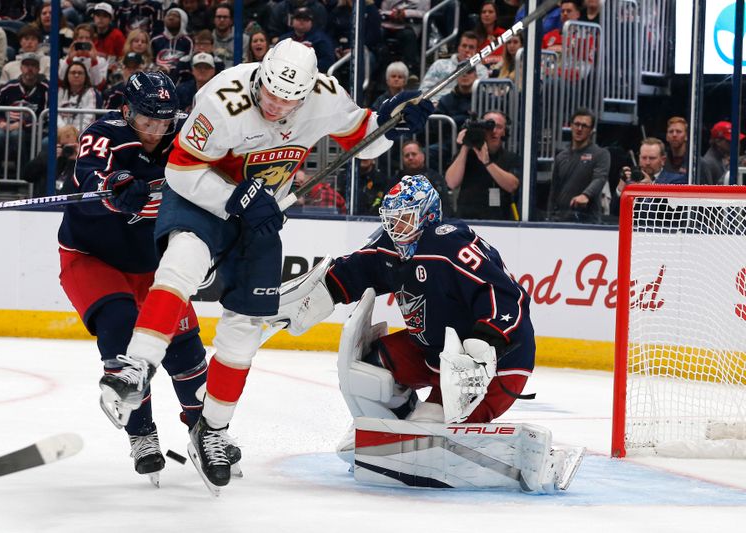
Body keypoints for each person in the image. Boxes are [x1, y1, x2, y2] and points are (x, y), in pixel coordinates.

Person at [103, 38, 433, 493]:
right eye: (269, 93)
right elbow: (181, 169)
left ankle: (212, 430)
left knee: (244, 332)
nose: (276, 105)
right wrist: (235, 196)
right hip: (205, 197)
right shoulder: (224, 98)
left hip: (258, 218)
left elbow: (364, 139)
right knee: (181, 264)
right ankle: (136, 367)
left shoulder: (325, 95)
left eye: (287, 99)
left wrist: (392, 121)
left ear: (307, 91)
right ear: (259, 76)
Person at [266, 175, 559, 488]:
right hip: (433, 354)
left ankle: (426, 430)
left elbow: (507, 296)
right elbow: (355, 270)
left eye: (403, 221)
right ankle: (390, 429)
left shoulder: (449, 243)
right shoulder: (392, 247)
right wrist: (315, 295)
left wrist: (483, 345)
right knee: (366, 368)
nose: (396, 230)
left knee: (429, 428)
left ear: (427, 215)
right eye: (391, 222)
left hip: (495, 367)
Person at [58, 71, 209, 486]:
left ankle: (207, 430)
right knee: (121, 328)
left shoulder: (185, 138)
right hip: (92, 257)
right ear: (127, 111)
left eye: (164, 122)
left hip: (153, 263)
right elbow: (87, 178)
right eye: (147, 122)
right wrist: (112, 187)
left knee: (184, 347)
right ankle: (142, 434)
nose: (156, 133)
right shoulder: (104, 133)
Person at [445, 110, 521, 220]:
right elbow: (451, 183)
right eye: (489, 126)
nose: (493, 131)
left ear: (505, 132)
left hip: (501, 221)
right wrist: (466, 146)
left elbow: (513, 186)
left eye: (498, 127)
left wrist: (487, 162)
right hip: (467, 219)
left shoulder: (511, 158)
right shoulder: (466, 155)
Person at [546, 108, 610, 223]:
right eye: (577, 124)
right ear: (571, 126)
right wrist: (549, 216)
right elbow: (554, 190)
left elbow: (600, 178)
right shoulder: (561, 156)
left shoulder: (601, 154)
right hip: (560, 220)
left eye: (584, 126)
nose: (579, 129)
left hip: (587, 220)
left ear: (591, 130)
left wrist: (586, 195)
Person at [419, 31, 488, 106]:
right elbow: (423, 90)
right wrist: (433, 102)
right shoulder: (439, 65)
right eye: (464, 46)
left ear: (476, 51)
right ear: (458, 48)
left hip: (467, 107)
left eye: (471, 47)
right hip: (437, 107)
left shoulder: (481, 70)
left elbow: (482, 94)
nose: (467, 50)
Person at [617, 137, 686, 195]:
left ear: (663, 160)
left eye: (652, 158)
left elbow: (669, 208)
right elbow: (614, 210)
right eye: (644, 158)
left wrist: (651, 188)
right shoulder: (631, 181)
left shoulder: (675, 181)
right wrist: (621, 187)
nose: (647, 162)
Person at [280, 7, 336, 72]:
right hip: (285, 72)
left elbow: (327, 61)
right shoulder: (284, 39)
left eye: (305, 19)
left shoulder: (321, 39)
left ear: (311, 22)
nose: (301, 21)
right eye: (298, 18)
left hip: (312, 75)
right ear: (292, 21)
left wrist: (306, 67)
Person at [59, 23, 109, 90]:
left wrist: (94, 61)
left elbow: (98, 85)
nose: (84, 41)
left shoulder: (101, 61)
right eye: (81, 38)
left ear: (92, 41)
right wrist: (69, 60)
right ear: (75, 40)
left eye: (87, 38)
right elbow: (61, 82)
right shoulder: (65, 61)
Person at [57, 60, 103, 132]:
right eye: (73, 72)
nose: (76, 75)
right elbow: (54, 115)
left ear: (85, 76)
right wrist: (64, 131)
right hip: (60, 133)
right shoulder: (60, 91)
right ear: (67, 75)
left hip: (83, 134)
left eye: (80, 73)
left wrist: (75, 132)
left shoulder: (91, 93)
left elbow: (89, 118)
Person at [664, 116, 712, 183]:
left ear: (686, 136)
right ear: (667, 137)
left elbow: (707, 190)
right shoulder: (662, 162)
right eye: (671, 132)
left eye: (678, 132)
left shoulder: (698, 164)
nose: (674, 135)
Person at [151, 7, 193, 84]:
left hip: (180, 81)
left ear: (183, 21)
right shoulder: (156, 40)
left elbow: (188, 62)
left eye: (175, 16)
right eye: (169, 15)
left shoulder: (188, 41)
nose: (171, 18)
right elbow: (150, 61)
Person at [704, 121, 744, 185]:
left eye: (738, 141)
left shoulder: (721, 159)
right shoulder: (709, 163)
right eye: (730, 141)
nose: (737, 144)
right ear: (718, 141)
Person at [211, 3, 248, 69]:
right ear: (214, 20)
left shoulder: (244, 39)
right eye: (219, 17)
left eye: (225, 17)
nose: (221, 20)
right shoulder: (209, 39)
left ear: (231, 20)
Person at [474, 0, 506, 66]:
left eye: (490, 12)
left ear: (496, 16)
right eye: (484, 12)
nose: (487, 14)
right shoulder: (475, 36)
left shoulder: (504, 34)